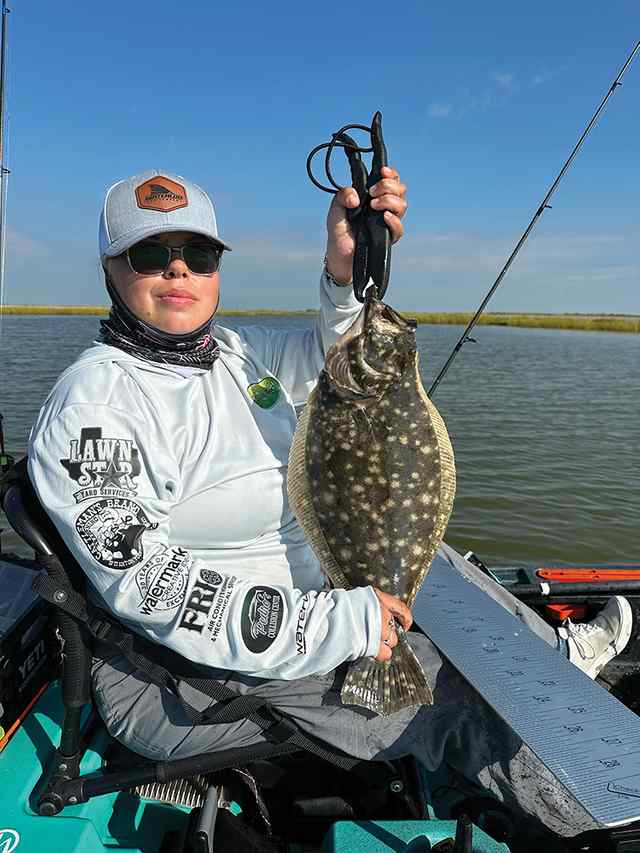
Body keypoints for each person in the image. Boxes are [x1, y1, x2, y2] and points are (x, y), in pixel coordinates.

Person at [27, 168, 632, 840]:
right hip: (186, 673)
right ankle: (608, 821)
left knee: (439, 563)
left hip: (318, 595)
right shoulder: (95, 407)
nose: (179, 270)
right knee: (466, 699)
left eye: (198, 254)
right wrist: (340, 624)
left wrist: (347, 272)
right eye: (150, 254)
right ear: (110, 268)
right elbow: (155, 589)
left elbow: (338, 360)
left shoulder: (232, 353)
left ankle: (555, 657)